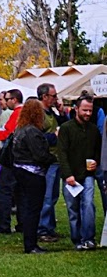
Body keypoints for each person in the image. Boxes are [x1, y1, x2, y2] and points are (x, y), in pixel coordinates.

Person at [55, 94, 99, 249]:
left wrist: (96, 162)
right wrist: (68, 175)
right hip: (70, 176)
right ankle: (77, 240)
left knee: (88, 204)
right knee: (73, 209)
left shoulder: (93, 130)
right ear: (76, 109)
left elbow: (97, 151)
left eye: (90, 110)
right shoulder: (66, 128)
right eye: (85, 110)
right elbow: (62, 153)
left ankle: (89, 238)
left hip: (87, 175)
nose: (88, 113)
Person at [11, 98, 54, 255]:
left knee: (28, 208)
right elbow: (40, 155)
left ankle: (30, 243)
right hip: (33, 173)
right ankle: (31, 245)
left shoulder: (19, 129)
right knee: (33, 209)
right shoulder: (32, 131)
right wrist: (53, 159)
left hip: (20, 170)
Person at [0, 88, 24, 236]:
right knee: (20, 192)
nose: (4, 102)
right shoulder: (25, 113)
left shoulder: (16, 113)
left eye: (6, 99)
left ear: (14, 100)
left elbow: (7, 133)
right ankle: (21, 223)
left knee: (4, 191)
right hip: (22, 159)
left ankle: (4, 225)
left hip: (11, 158)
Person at [34, 83, 63, 240]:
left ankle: (49, 227)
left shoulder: (51, 112)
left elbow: (63, 125)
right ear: (44, 97)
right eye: (53, 96)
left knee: (53, 196)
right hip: (46, 160)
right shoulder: (39, 114)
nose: (56, 99)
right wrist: (54, 137)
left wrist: (61, 110)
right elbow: (35, 137)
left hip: (55, 158)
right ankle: (42, 229)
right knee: (47, 195)